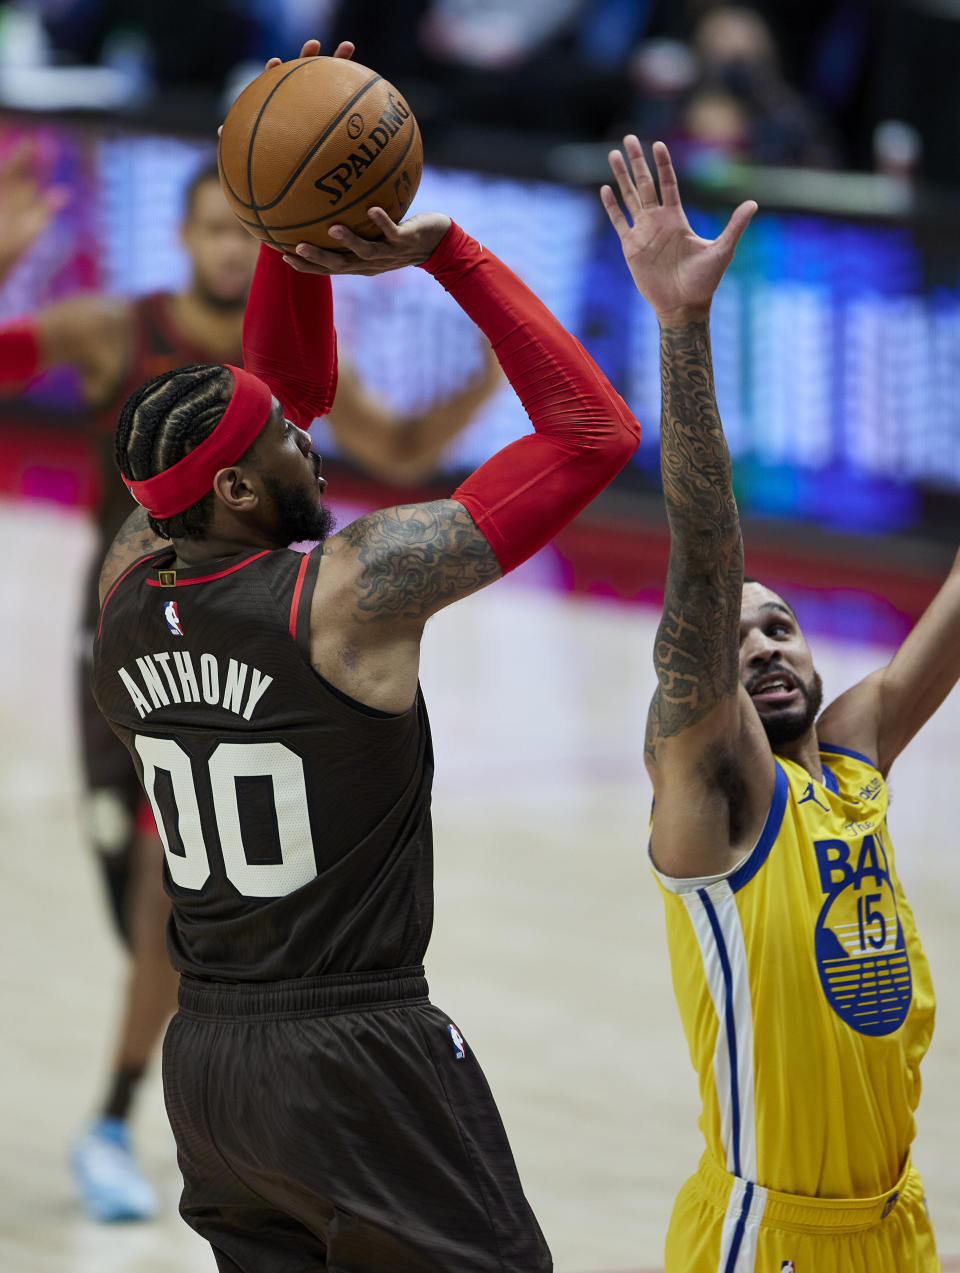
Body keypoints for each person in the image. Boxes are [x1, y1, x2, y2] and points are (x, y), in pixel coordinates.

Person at [90, 48, 642, 1267]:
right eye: (289, 444)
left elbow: (280, 384)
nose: (313, 441)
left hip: (213, 1071)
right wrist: (443, 252)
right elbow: (594, 430)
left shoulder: (128, 583)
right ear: (236, 488)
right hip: (355, 1050)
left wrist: (302, 238)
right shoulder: (344, 596)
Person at [0, 106, 499, 1221]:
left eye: (247, 230)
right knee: (169, 916)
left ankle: (114, 1119)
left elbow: (409, 454)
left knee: (170, 913)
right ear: (179, 238)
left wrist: (483, 374)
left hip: (259, 652)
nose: (232, 247)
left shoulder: (288, 391)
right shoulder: (109, 329)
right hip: (129, 659)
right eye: (215, 227)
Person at [601, 135, 943, 1271]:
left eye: (781, 626)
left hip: (897, 1220)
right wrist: (682, 333)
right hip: (771, 1239)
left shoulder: (850, 757)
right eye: (737, 638)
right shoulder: (714, 790)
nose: (762, 645)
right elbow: (705, 560)